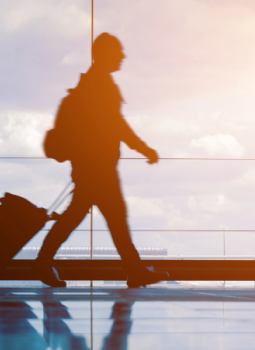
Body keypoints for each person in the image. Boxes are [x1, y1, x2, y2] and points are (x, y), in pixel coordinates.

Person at [36, 33, 168, 288]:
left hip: (90, 166)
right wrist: (143, 148)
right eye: (118, 53)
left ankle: (43, 262)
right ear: (104, 55)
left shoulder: (92, 84)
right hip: (98, 168)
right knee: (113, 218)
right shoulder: (101, 85)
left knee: (79, 217)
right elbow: (116, 125)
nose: (122, 57)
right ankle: (135, 270)